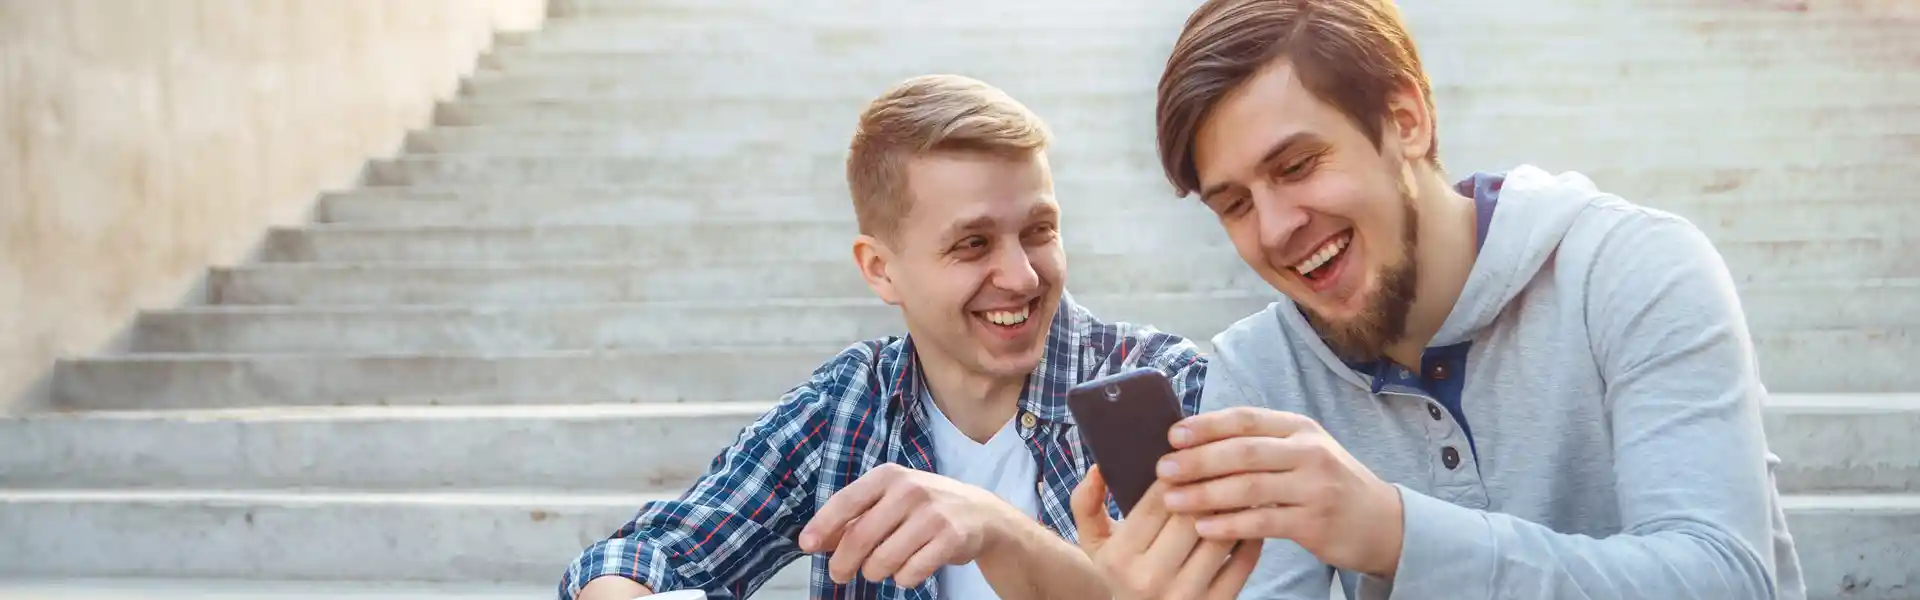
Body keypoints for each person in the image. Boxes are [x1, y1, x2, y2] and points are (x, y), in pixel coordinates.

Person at [1073, 0, 1809, 598]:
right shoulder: (1259, 371)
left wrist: (1397, 535)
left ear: (1406, 120)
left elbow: (1725, 580)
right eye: (1234, 204)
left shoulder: (1633, 268)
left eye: (1296, 166)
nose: (1274, 229)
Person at [559, 74, 1244, 600]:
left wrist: (997, 529)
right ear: (880, 270)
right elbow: (650, 553)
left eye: (1039, 230)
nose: (1022, 275)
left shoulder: (1166, 390)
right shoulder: (846, 406)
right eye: (973, 243)